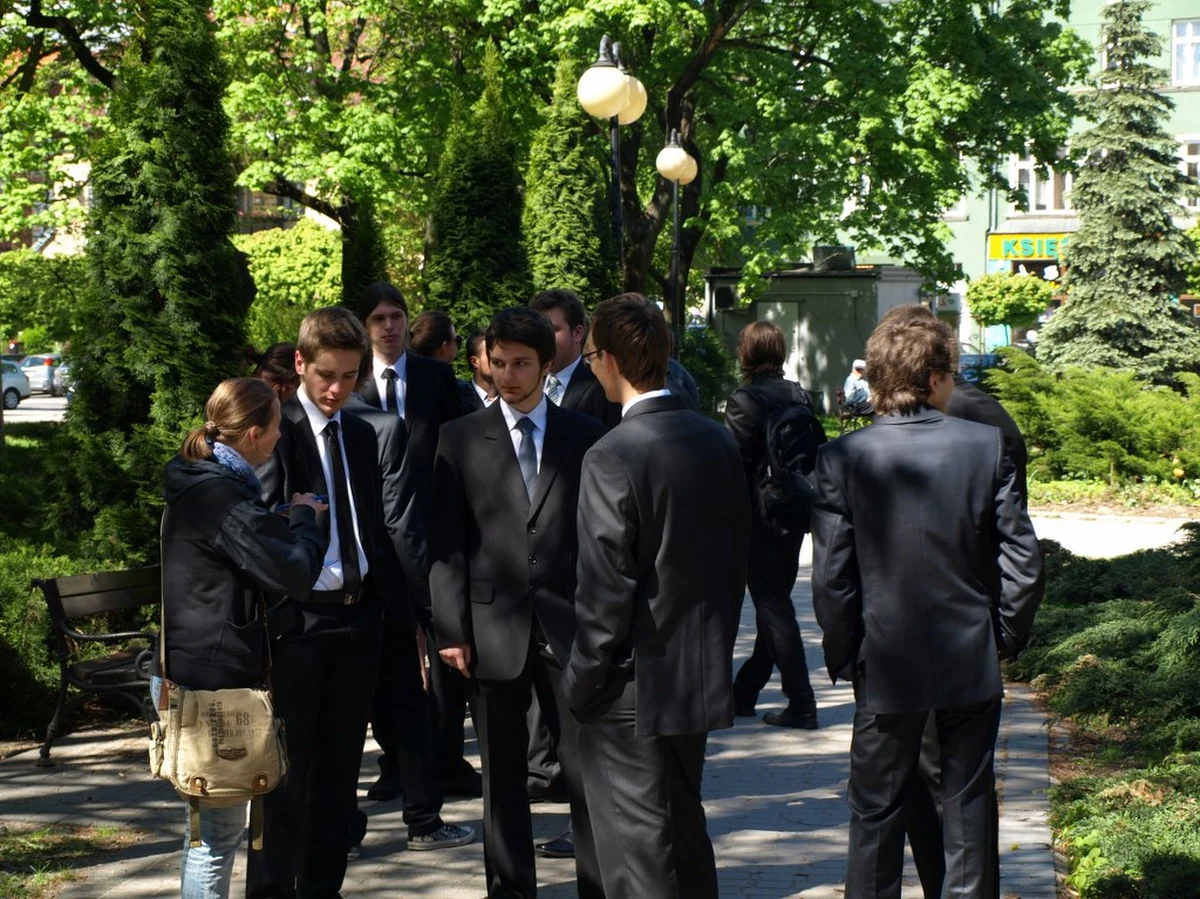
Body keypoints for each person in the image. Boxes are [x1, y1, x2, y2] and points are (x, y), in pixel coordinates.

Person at [810, 305, 1044, 899]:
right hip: (968, 654)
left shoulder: (843, 457)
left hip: (884, 658)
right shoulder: (984, 447)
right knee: (968, 812)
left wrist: (846, 656)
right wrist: (1003, 637)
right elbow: (1022, 559)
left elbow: (832, 578)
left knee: (875, 816)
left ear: (878, 379)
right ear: (938, 376)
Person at [564, 293, 751, 899]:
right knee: (684, 832)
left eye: (591, 354)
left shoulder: (612, 453)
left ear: (611, 360)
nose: (591, 366)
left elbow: (604, 587)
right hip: (695, 669)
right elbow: (735, 558)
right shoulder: (716, 439)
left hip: (628, 683)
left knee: (637, 855)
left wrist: (580, 681)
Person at [431, 306, 607, 899]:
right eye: (497, 363)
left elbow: (598, 537)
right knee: (502, 778)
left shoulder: (584, 437)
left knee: (585, 776)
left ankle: (597, 885)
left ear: (547, 363)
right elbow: (447, 543)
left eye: (521, 364)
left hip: (570, 625)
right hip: (490, 629)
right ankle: (510, 890)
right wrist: (451, 629)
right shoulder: (458, 439)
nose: (507, 375)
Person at [248, 307, 411, 899]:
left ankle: (323, 889)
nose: (337, 389)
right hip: (301, 627)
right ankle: (272, 891)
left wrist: (390, 611)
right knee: (286, 776)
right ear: (300, 365)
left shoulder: (364, 433)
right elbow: (262, 536)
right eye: (325, 375)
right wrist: (279, 618)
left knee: (340, 775)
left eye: (348, 375)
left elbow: (372, 526)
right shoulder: (276, 432)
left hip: (358, 618)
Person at [157, 377, 326, 899]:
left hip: (199, 673)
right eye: (277, 427)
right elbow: (296, 572)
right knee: (216, 838)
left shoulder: (201, 482)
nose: (281, 438)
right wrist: (306, 519)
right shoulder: (221, 497)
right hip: (216, 684)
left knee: (212, 832)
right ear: (253, 433)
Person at [354, 282, 479, 797]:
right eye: (379, 317)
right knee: (388, 660)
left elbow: (461, 452)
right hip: (376, 544)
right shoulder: (352, 383)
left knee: (448, 651)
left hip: (435, 537)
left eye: (397, 315)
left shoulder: (436, 376)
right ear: (366, 326)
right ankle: (399, 762)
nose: (390, 325)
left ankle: (446, 759)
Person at [343, 384, 476, 853]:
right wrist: (428, 602)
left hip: (328, 600)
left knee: (339, 719)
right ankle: (423, 818)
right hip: (388, 591)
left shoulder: (293, 425)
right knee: (409, 706)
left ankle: (343, 830)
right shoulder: (382, 427)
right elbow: (401, 521)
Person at [724, 320, 821, 729]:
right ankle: (744, 692)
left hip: (758, 518)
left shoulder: (744, 400)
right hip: (794, 511)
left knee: (774, 606)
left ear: (745, 354)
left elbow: (732, 466)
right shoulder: (798, 393)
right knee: (773, 601)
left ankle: (801, 702)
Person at [529, 289, 621, 429]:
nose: (541, 337)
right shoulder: (527, 382)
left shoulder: (603, 387)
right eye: (536, 330)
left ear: (577, 333)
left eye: (551, 329)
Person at [458, 330, 497, 411]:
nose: (499, 360)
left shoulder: (513, 399)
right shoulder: (460, 398)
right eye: (491, 355)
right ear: (474, 361)